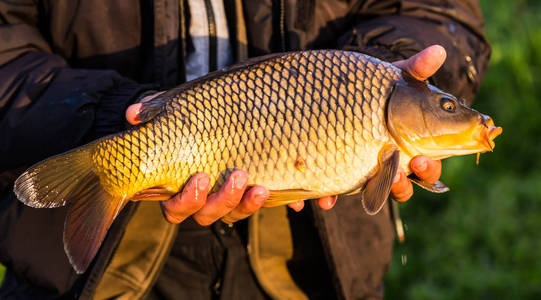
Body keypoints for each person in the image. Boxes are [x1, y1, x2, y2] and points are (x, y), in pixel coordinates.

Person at [0, 0, 490, 299]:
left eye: (446, 108)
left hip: (312, 267)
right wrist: (112, 113)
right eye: (447, 108)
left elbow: (436, 12)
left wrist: (381, 65)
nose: (457, 114)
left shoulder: (384, 95)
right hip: (95, 279)